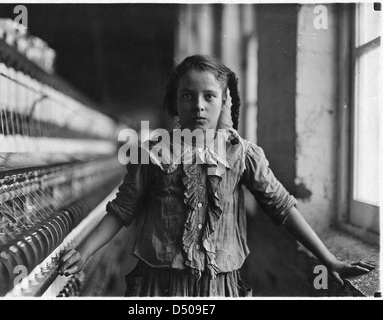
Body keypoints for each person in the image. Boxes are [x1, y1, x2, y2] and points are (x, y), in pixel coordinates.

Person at [58, 54, 374, 297]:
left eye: (209, 96)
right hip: (160, 284)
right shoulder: (150, 153)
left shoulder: (242, 154)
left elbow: (282, 207)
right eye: (187, 96)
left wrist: (328, 258)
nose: (198, 106)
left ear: (223, 102)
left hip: (219, 285)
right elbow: (122, 209)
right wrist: (83, 253)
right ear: (173, 102)